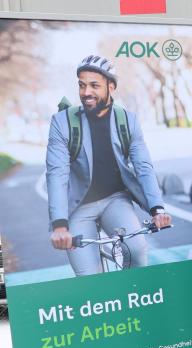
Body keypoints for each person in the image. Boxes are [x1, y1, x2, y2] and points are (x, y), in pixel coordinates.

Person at [46, 55, 171, 274]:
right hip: (78, 207)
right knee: (89, 277)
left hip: (115, 200)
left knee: (137, 251)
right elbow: (57, 174)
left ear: (111, 87)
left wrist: (157, 208)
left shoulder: (128, 121)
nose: (86, 92)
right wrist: (59, 224)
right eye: (82, 85)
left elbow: (143, 166)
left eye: (94, 85)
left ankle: (131, 298)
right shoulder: (62, 123)